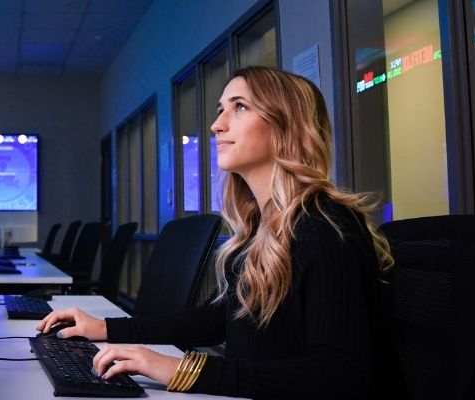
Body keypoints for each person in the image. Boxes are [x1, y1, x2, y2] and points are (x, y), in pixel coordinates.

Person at [36, 66, 399, 399]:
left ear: (286, 124)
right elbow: (215, 320)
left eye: (239, 107)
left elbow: (337, 375)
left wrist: (179, 370)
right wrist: (105, 328)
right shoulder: (263, 227)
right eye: (220, 109)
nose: (216, 125)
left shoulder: (325, 225)